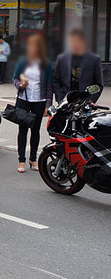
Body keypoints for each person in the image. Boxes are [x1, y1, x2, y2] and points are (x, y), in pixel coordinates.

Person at [12, 34, 53, 173]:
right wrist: (21, 85)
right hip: (24, 99)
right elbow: (14, 79)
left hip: (39, 101)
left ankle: (33, 158)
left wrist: (48, 105)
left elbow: (49, 84)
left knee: (35, 131)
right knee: (22, 130)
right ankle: (21, 160)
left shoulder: (46, 63)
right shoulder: (23, 61)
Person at [53, 28, 104, 103]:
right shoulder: (62, 59)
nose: (73, 44)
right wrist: (60, 98)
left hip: (85, 102)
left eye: (76, 41)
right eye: (71, 41)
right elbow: (55, 80)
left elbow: (99, 84)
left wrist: (90, 100)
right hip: (66, 101)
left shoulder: (94, 59)